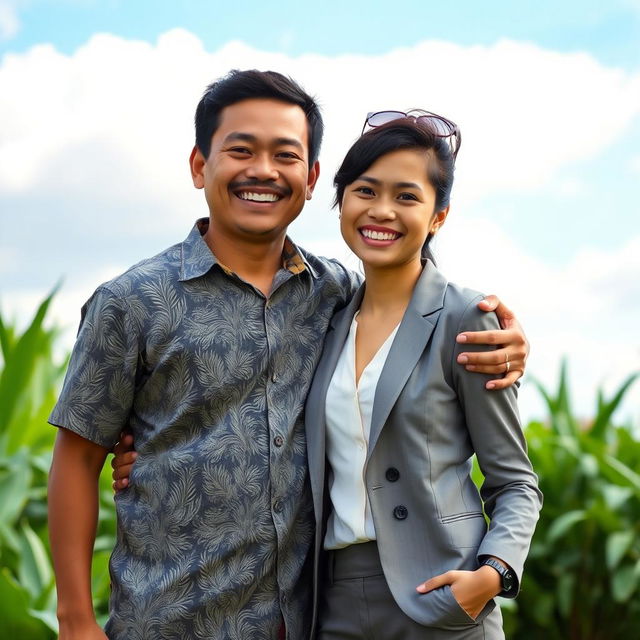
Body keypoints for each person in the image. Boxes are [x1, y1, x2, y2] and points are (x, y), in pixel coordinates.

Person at [49, 69, 529, 640]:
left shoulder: (333, 294)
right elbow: (77, 458)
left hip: (306, 620)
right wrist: (75, 619)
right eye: (241, 150)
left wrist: (509, 339)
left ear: (311, 179)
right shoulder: (132, 302)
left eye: (285, 154)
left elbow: (413, 314)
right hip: (171, 618)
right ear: (200, 165)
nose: (263, 171)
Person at [303, 112, 542, 640]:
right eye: (365, 190)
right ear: (341, 201)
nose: (382, 210)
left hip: (443, 597)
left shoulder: (467, 319)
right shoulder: (322, 318)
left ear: (439, 216)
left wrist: (491, 574)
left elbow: (515, 481)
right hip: (333, 604)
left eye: (407, 196)